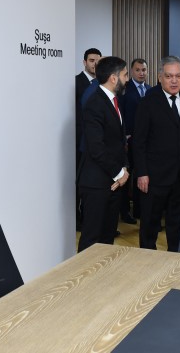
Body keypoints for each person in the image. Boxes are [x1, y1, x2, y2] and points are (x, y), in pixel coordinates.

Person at [133, 56, 180, 251]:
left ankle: (175, 261)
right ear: (160, 78)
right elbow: (139, 142)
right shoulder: (148, 102)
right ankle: (148, 263)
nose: (174, 81)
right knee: (149, 226)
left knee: (178, 225)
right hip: (154, 177)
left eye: (178, 76)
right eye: (169, 76)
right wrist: (142, 173)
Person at [77, 56, 129, 252]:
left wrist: (124, 169)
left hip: (113, 182)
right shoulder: (95, 103)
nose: (127, 79)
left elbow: (119, 142)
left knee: (107, 239)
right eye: (125, 75)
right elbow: (96, 148)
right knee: (91, 240)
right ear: (114, 78)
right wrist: (119, 173)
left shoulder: (114, 100)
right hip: (96, 183)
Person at [120, 58, 150, 223]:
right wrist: (124, 136)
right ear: (132, 71)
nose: (141, 73)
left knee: (142, 174)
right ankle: (125, 212)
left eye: (143, 70)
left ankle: (140, 210)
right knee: (127, 176)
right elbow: (120, 115)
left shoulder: (151, 90)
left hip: (146, 142)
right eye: (138, 70)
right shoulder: (124, 89)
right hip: (128, 141)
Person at [75, 48, 102, 229]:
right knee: (80, 183)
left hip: (97, 143)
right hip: (81, 142)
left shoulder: (102, 83)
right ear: (84, 62)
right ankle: (78, 220)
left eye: (98, 61)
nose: (95, 64)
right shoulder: (76, 82)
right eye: (92, 61)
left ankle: (90, 220)